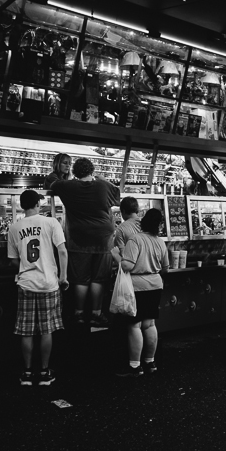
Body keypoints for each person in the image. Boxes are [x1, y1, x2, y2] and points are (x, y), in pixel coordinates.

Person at [7, 190, 68, 387]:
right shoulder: (51, 223)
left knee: (26, 330)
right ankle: (43, 371)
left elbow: (13, 260)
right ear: (38, 203)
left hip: (26, 283)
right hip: (48, 283)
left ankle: (26, 372)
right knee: (46, 329)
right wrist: (63, 277)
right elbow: (62, 251)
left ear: (22, 206)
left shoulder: (14, 227)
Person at [50, 158, 120, 328]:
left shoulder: (68, 187)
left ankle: (79, 313)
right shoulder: (103, 186)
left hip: (78, 239)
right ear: (91, 171)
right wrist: (101, 178)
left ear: (74, 171)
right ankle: (96, 313)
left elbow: (52, 184)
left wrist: (63, 174)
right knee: (99, 278)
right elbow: (118, 194)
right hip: (103, 239)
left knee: (80, 279)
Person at [116, 208, 169, 377]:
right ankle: (150, 362)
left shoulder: (135, 239)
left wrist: (117, 256)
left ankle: (134, 366)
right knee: (150, 324)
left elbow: (127, 266)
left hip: (138, 286)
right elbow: (166, 267)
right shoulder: (160, 241)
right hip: (155, 284)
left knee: (135, 325)